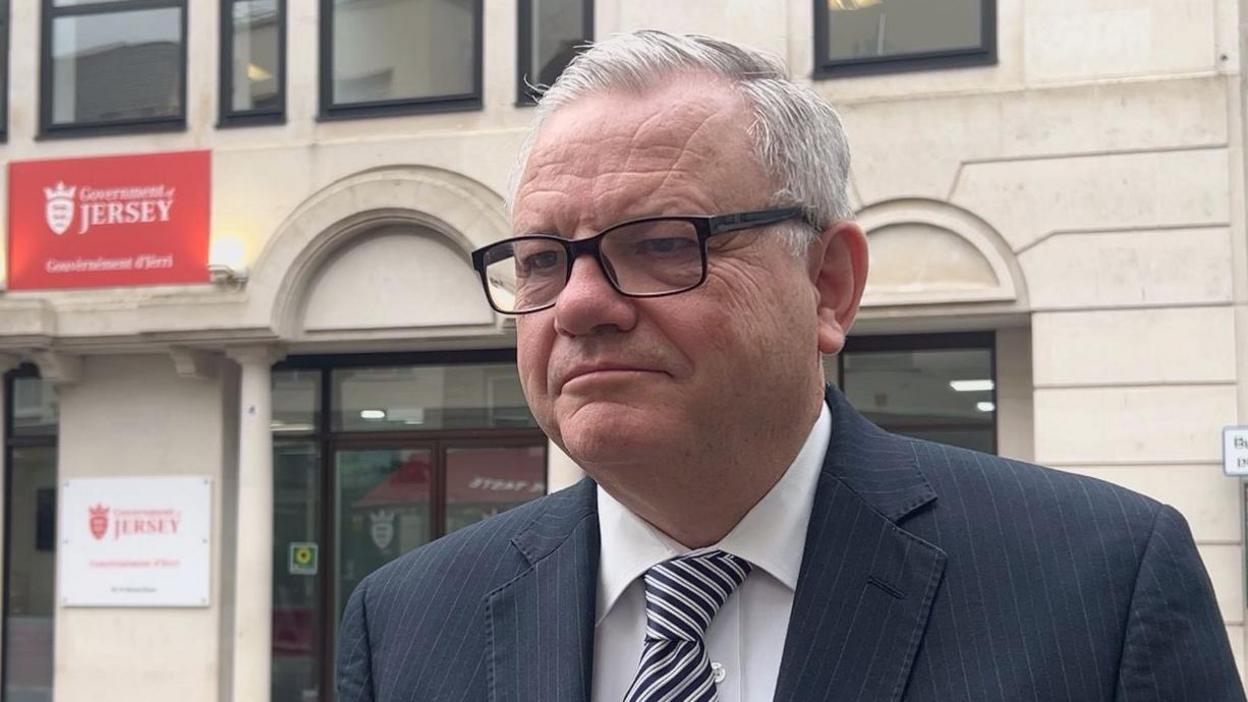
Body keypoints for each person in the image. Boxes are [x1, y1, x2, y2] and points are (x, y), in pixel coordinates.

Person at [337, 31, 1245, 701]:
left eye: (660, 244)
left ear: (828, 286)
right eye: (540, 260)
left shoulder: (1100, 586)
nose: (578, 304)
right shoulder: (408, 623)